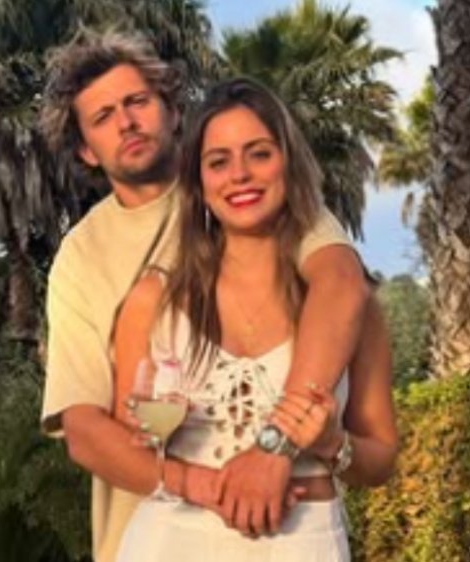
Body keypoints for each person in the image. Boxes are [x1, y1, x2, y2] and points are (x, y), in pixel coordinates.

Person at [37, 30, 376, 562]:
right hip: (151, 534)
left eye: (137, 101)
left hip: (291, 529)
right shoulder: (81, 258)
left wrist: (276, 444)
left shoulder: (252, 194)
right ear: (86, 150)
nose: (126, 122)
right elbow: (83, 428)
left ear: (173, 109)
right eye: (103, 117)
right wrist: (203, 485)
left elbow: (340, 284)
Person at [111, 77, 398, 561]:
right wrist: (152, 433)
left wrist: (332, 444)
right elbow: (125, 447)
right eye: (218, 162)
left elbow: (381, 459)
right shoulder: (154, 300)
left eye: (259, 154)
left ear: (289, 164)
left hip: (303, 542)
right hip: (168, 540)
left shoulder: (351, 303)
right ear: (199, 184)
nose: (240, 175)